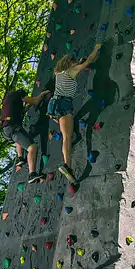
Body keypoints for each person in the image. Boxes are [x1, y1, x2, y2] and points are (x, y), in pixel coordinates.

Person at [47, 43, 102, 184]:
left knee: (68, 135)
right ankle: (67, 165)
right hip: (64, 103)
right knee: (67, 137)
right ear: (71, 62)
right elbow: (89, 61)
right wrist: (96, 48)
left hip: (53, 106)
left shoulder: (59, 73)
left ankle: (68, 163)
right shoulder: (72, 70)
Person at [0, 87, 49, 183]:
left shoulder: (8, 103)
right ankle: (32, 174)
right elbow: (35, 101)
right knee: (32, 147)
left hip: (6, 130)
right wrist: (42, 94)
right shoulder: (17, 95)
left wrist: (28, 106)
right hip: (12, 128)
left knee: (19, 136)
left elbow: (22, 111)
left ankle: (20, 157)